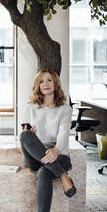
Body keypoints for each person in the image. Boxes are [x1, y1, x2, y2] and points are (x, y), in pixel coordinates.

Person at [19, 69, 77, 212]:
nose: (45, 84)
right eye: (41, 81)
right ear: (37, 86)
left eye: (49, 80)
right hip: (34, 157)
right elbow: (24, 133)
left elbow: (64, 133)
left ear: (55, 83)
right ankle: (63, 175)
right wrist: (30, 134)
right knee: (25, 135)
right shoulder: (29, 107)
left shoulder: (65, 109)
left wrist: (56, 150)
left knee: (44, 173)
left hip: (59, 155)